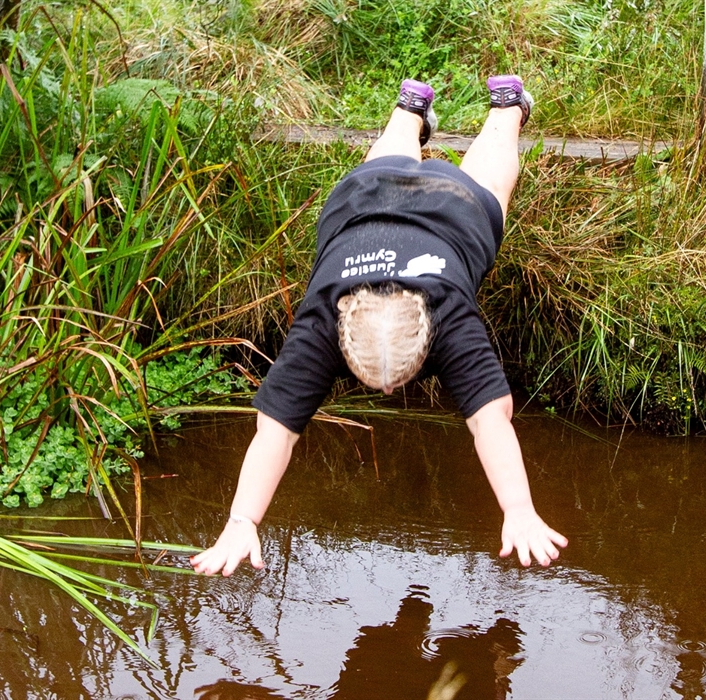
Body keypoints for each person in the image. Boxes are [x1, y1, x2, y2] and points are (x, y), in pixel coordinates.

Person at [190, 76, 568, 577]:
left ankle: (497, 108)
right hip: (364, 203)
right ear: (341, 333)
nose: (389, 389)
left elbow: (492, 420)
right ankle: (425, 109)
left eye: (394, 379)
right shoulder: (323, 320)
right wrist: (241, 520)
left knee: (487, 187)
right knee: (385, 171)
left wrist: (519, 508)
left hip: (442, 209)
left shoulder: (449, 312)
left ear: (430, 330)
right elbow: (273, 433)